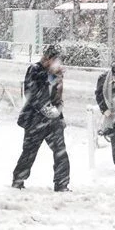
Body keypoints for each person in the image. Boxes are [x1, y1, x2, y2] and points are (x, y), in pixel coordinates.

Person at [12, 45, 71, 192]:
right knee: (29, 152)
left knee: (60, 152)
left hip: (53, 120)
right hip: (35, 119)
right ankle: (18, 181)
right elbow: (30, 93)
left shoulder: (57, 74)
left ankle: (62, 184)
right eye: (56, 60)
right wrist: (45, 108)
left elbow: (57, 98)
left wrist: (59, 115)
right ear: (48, 59)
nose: (59, 64)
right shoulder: (35, 70)